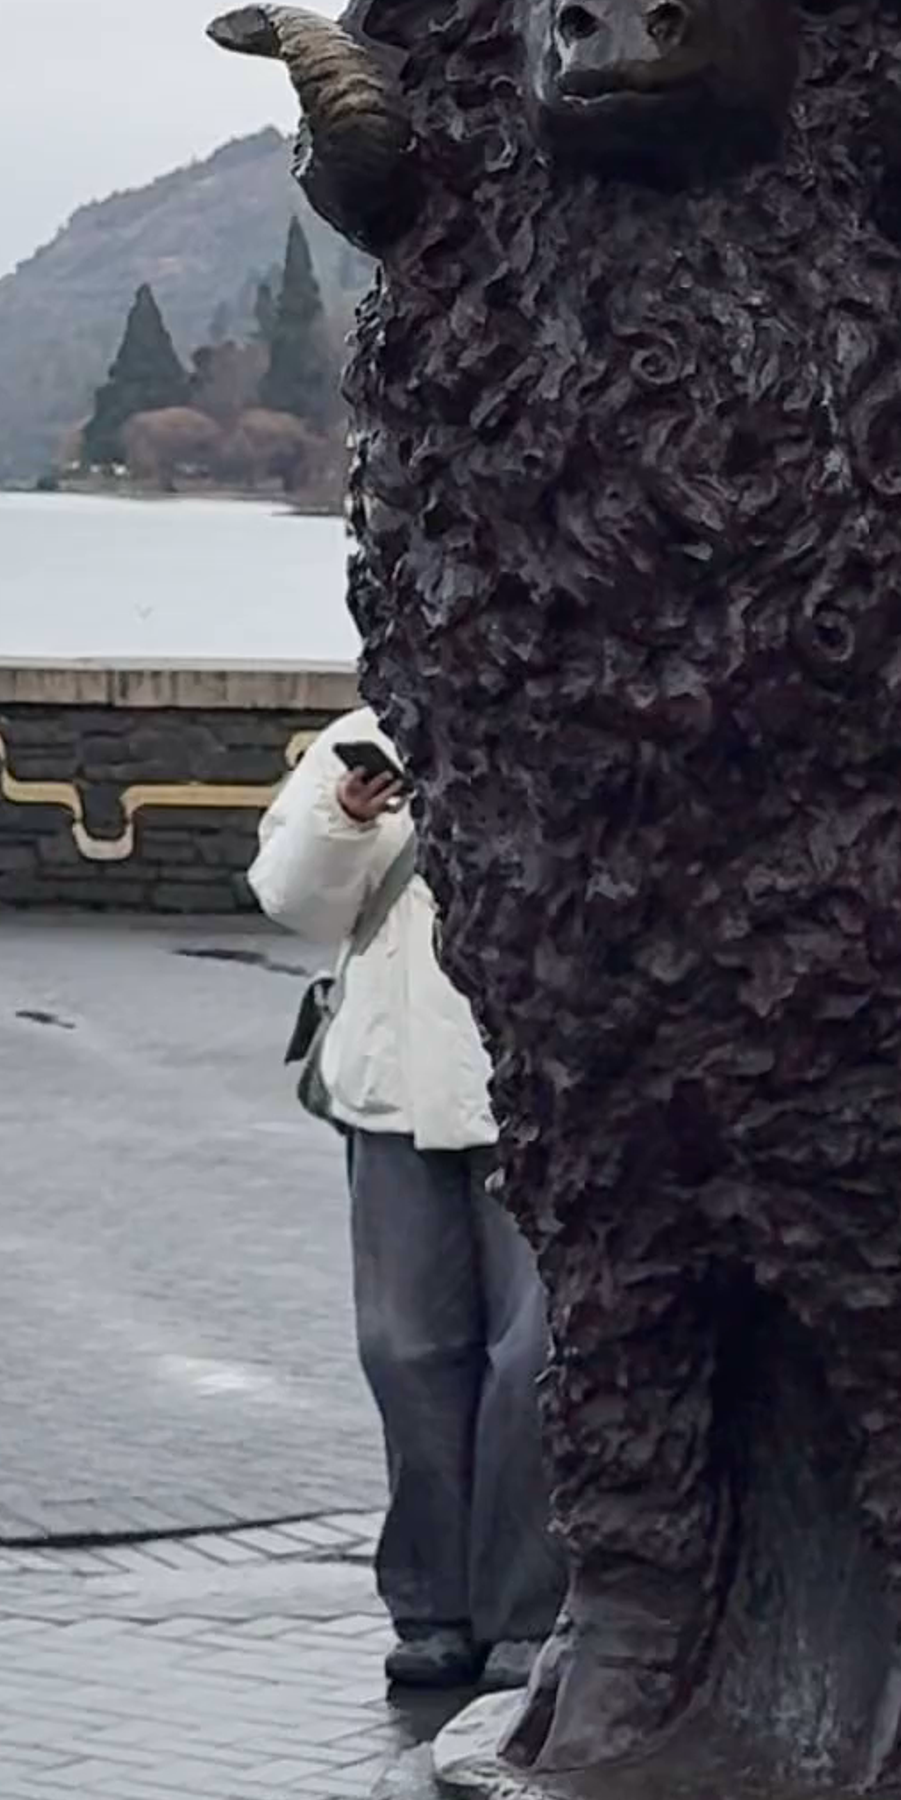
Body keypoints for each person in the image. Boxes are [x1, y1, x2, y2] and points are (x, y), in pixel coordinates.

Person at [251, 708, 561, 1702]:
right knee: (406, 1348)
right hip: (393, 1098)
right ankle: (432, 1605)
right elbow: (290, 897)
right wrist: (344, 811)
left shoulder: (575, 699)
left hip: (540, 1095)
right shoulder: (367, 731)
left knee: (535, 1359)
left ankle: (527, 1608)